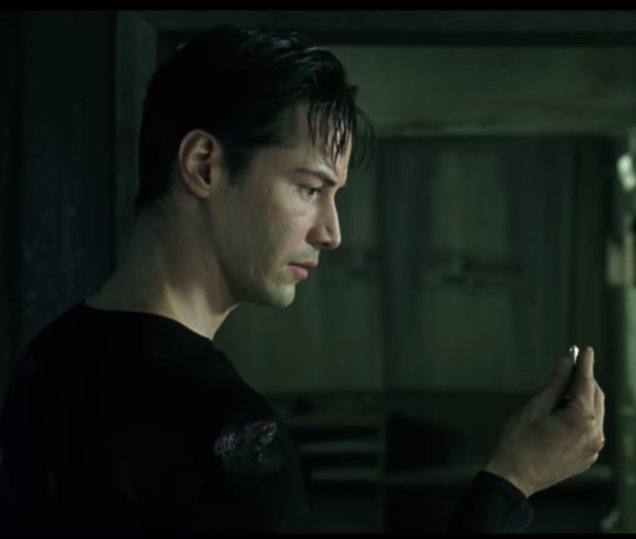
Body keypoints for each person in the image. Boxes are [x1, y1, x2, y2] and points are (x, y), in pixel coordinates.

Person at [0, 25, 605, 533]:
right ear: (204, 165)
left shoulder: (47, 361)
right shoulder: (228, 433)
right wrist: (514, 480)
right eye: (310, 189)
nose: (332, 232)